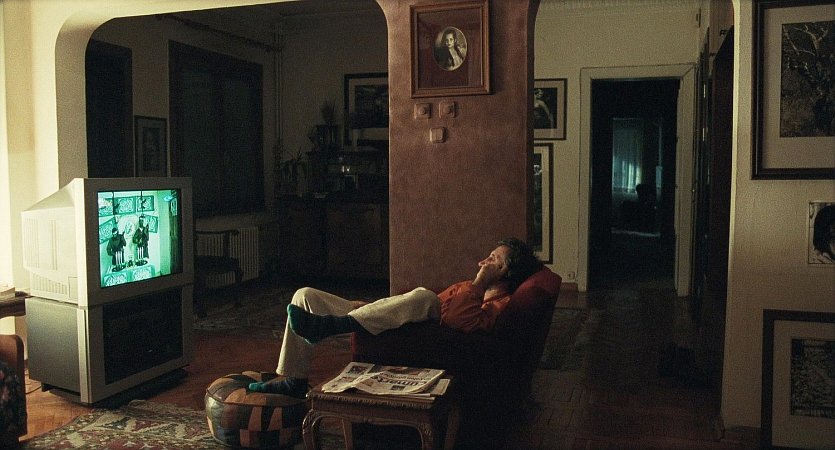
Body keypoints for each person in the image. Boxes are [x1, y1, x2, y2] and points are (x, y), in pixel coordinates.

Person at [248, 237, 543, 398]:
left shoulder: (499, 304)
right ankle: (294, 379)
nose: (483, 262)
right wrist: (374, 306)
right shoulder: (474, 290)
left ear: (505, 272)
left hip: (424, 331)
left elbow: (455, 320)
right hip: (398, 318)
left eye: (493, 260)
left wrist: (479, 282)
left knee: (425, 296)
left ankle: (333, 326)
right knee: (305, 295)